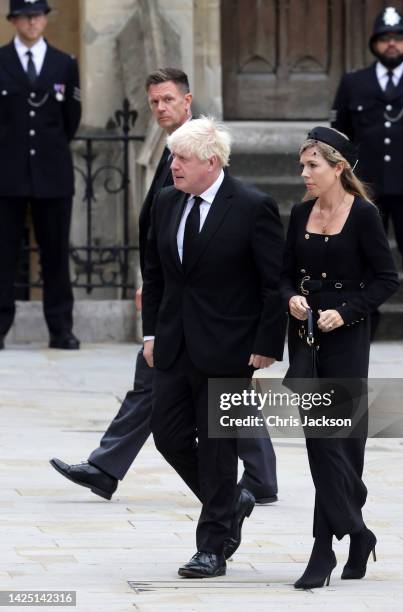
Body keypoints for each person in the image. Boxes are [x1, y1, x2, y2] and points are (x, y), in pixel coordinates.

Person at [50, 69, 279, 505]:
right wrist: (151, 285)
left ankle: (108, 466)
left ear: (187, 101)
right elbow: (162, 232)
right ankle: (256, 478)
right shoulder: (166, 147)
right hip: (175, 301)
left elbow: (225, 231)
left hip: (212, 310)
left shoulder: (205, 148)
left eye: (168, 100)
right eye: (154, 101)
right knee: (184, 391)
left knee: (202, 392)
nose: (160, 109)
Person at [142, 117, 286, 578]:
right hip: (174, 344)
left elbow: (273, 284)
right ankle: (232, 500)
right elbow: (156, 275)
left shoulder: (251, 206)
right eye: (171, 157)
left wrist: (266, 344)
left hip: (229, 348)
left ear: (211, 161)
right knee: (168, 437)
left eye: (181, 158)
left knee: (219, 447)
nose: (173, 166)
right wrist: (150, 334)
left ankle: (212, 548)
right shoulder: (167, 202)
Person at [280, 126, 399, 589]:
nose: (304, 173)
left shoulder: (365, 215)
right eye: (302, 165)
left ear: (338, 167)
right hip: (305, 337)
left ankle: (323, 548)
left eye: (312, 165)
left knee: (342, 442)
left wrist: (346, 313)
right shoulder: (298, 213)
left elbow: (386, 279)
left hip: (347, 339)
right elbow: (283, 274)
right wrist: (291, 298)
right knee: (319, 442)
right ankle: (357, 530)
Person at [330, 5, 403, 345]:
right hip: (368, 187)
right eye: (385, 38)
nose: (392, 44)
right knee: (365, 257)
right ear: (374, 43)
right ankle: (367, 318)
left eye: (398, 38)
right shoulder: (354, 82)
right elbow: (342, 129)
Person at [0, 0, 81, 350]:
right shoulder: (0, 61)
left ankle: (61, 328)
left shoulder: (65, 63)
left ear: (46, 18)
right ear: (14, 20)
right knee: (3, 254)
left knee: (55, 255)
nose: (33, 22)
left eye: (38, 15)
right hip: (7, 174)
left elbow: (71, 119)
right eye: (26, 16)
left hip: (52, 173)